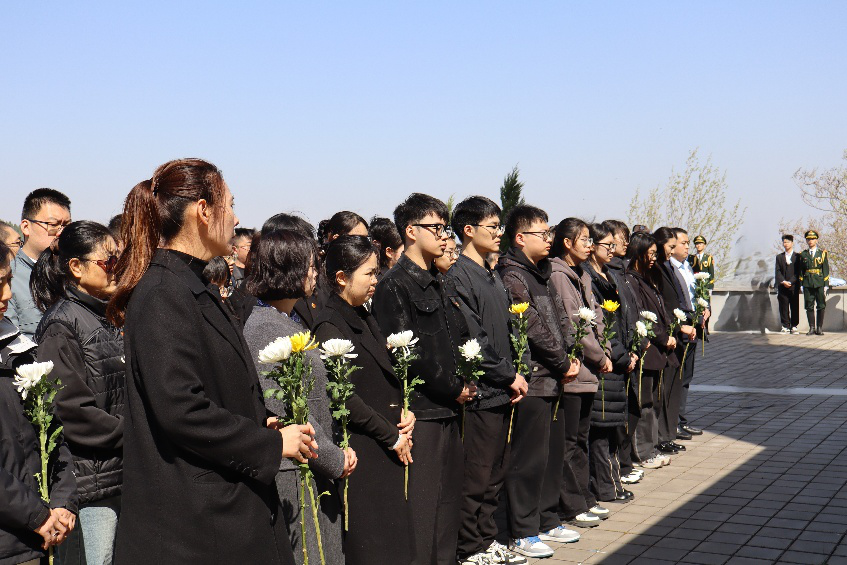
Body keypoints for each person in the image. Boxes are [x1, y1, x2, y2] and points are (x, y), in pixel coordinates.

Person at [107, 159, 317, 565]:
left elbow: (212, 383)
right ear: (203, 210)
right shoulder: (163, 293)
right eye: (230, 205)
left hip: (222, 506)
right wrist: (270, 444)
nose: (236, 218)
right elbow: (181, 409)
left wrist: (258, 419)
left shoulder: (191, 284)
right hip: (196, 522)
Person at [371, 193, 475, 565]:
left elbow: (455, 340)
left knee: (448, 504)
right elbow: (408, 354)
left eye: (445, 228)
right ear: (411, 231)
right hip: (423, 412)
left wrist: (467, 380)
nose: (444, 236)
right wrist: (454, 387)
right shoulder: (395, 285)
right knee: (423, 509)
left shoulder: (438, 281)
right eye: (436, 227)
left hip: (449, 409)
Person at [242, 230, 351, 565]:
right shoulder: (265, 328)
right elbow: (288, 408)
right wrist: (334, 458)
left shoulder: (286, 320)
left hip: (312, 462)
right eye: (310, 265)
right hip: (297, 469)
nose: (315, 273)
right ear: (288, 270)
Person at [313, 235, 417, 565]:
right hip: (363, 447)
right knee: (372, 545)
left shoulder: (362, 314)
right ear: (341, 278)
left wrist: (406, 410)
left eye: (376, 272)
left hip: (386, 441)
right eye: (369, 273)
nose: (376, 280)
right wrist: (391, 435)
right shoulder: (330, 325)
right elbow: (344, 397)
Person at [30, 222, 124, 565]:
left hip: (118, 473)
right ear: (76, 267)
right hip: (90, 483)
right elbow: (71, 411)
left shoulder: (103, 315)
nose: (116, 269)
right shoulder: (63, 324)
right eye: (108, 261)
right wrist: (135, 433)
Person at [447, 197, 531, 565]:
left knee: (496, 473)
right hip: (481, 393)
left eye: (499, 226)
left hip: (503, 390)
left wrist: (518, 373)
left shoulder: (490, 273)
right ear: (468, 230)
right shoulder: (458, 277)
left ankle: (486, 539)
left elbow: (510, 331)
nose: (499, 233)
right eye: (492, 226)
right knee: (476, 476)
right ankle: (469, 548)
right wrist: (508, 375)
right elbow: (473, 338)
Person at [496, 205, 580, 559]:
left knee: (551, 456)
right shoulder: (512, 276)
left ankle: (547, 519)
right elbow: (531, 326)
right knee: (527, 460)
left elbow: (560, 319)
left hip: (555, 378)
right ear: (519, 238)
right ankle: (523, 531)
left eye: (549, 233)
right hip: (534, 380)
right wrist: (562, 361)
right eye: (541, 234)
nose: (549, 239)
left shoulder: (541, 272)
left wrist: (570, 355)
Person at [0, 241, 79, 565]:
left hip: (40, 535)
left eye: (8, 281)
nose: (7, 294)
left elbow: (53, 434)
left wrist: (63, 502)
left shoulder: (19, 352)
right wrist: (36, 516)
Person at [548, 218, 610, 528]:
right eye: (584, 239)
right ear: (567, 243)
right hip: (574, 372)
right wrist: (599, 356)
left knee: (580, 439)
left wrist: (605, 351)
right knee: (569, 442)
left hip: (589, 371)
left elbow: (597, 317)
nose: (590, 245)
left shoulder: (581, 274)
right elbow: (574, 326)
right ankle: (571, 505)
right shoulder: (559, 275)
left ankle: (584, 498)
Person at [584, 223, 638, 505]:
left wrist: (631, 350)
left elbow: (622, 320)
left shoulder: (609, 275)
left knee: (613, 428)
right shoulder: (589, 278)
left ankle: (612, 483)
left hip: (618, 360)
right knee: (601, 430)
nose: (612, 250)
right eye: (607, 245)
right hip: (606, 363)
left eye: (612, 245)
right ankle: (605, 487)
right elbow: (600, 327)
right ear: (592, 246)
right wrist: (621, 356)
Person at [624, 233, 674, 470]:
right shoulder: (631, 281)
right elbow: (643, 316)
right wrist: (662, 338)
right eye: (651, 253)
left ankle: (651, 447)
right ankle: (642, 452)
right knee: (643, 403)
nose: (654, 258)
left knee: (653, 402)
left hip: (657, 352)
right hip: (648, 348)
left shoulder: (646, 278)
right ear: (639, 253)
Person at [600, 220, 643, 487]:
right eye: (618, 238)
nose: (624, 243)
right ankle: (618, 470)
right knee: (613, 422)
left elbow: (631, 313)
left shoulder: (620, 272)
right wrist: (623, 354)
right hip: (614, 358)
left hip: (627, 352)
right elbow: (607, 322)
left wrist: (636, 345)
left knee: (630, 412)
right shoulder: (606, 274)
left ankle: (623, 467)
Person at [9, 189, 72, 338]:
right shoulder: (9, 277)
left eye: (66, 225)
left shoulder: (72, 273)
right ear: (26, 227)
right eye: (53, 224)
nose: (61, 232)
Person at [651, 228, 689, 456]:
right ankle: (662, 437)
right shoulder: (655, 269)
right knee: (662, 394)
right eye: (670, 246)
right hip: (666, 335)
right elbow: (662, 305)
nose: (672, 250)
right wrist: (676, 327)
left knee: (673, 389)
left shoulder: (667, 267)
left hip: (676, 334)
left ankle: (668, 435)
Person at [668, 228, 703, 440]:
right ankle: (674, 422)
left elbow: (694, 293)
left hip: (693, 325)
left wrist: (705, 308)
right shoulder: (669, 269)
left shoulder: (688, 266)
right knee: (678, 377)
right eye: (683, 243)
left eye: (688, 243)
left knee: (687, 376)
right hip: (680, 326)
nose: (687, 247)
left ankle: (681, 419)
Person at [799, 230, 829, 336]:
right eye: (808, 239)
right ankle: (812, 327)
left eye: (812, 239)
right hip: (807, 283)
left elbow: (825, 269)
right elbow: (801, 270)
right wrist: (801, 284)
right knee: (809, 305)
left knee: (821, 305)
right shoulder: (803, 254)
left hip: (819, 282)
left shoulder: (822, 253)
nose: (810, 241)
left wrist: (826, 284)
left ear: (816, 240)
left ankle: (819, 328)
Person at [689, 235, 714, 340]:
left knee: (706, 306)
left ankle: (706, 326)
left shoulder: (708, 258)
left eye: (700, 244)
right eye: (697, 244)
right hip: (696, 286)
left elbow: (711, 274)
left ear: (704, 245)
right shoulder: (691, 258)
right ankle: (698, 325)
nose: (698, 246)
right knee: (697, 306)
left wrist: (710, 287)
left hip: (705, 286)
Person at [775, 234, 801, 334]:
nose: (785, 244)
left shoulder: (797, 256)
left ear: (792, 243)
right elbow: (777, 271)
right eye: (784, 242)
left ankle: (794, 325)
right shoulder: (779, 257)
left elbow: (798, 272)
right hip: (782, 285)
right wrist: (783, 281)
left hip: (794, 286)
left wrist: (791, 281)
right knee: (783, 306)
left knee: (794, 306)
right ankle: (785, 325)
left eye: (788, 242)